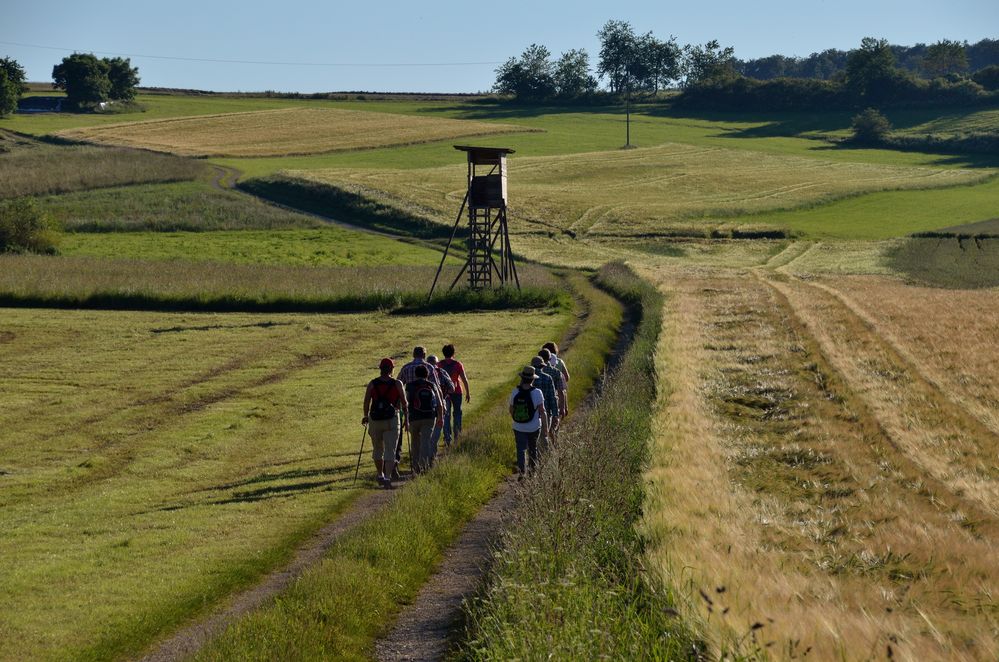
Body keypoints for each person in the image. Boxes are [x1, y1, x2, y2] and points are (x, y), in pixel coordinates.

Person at [395, 346, 444, 478]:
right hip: (429, 414)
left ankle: (415, 468)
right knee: (426, 441)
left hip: (413, 414)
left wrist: (403, 414)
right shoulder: (431, 368)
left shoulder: (406, 369)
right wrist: (441, 413)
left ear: (413, 354)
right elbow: (438, 390)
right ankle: (424, 467)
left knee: (415, 442)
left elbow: (398, 386)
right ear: (424, 355)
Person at [361, 358, 408, 489]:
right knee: (390, 450)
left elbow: (366, 402)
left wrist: (365, 416)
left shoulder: (372, 383)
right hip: (392, 419)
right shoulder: (397, 383)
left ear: (380, 369)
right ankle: (387, 477)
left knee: (377, 449)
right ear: (392, 369)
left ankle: (380, 475)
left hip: (375, 420)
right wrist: (407, 419)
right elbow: (404, 403)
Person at [508, 366, 548, 479]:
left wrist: (517, 419)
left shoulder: (515, 391)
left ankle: (522, 472)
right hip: (534, 427)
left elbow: (511, 409)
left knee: (520, 449)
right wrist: (545, 428)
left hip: (518, 427)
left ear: (522, 378)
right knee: (533, 448)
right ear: (532, 379)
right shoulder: (537, 393)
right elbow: (543, 411)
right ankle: (532, 472)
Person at [406, 364, 444, 473]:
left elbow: (406, 403)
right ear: (427, 374)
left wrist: (406, 418)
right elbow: (439, 403)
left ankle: (416, 466)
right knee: (426, 441)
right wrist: (440, 417)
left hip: (414, 417)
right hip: (429, 417)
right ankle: (425, 465)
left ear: (416, 374)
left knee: (415, 442)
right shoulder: (432, 385)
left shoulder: (409, 386)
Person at [438, 344, 470, 447]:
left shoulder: (439, 364)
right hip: (457, 391)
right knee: (457, 413)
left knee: (446, 415)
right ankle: (457, 436)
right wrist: (468, 393)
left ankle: (447, 438)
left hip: (445, 392)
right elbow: (464, 379)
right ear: (453, 353)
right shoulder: (457, 364)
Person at [426, 355, 455, 450]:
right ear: (437, 363)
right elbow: (452, 388)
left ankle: (425, 456)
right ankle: (432, 457)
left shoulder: (422, 373)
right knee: (436, 433)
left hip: (424, 407)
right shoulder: (442, 372)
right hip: (440, 405)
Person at [530, 356, 558, 449]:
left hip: (531, 413)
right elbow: (552, 397)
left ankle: (532, 459)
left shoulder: (529, 379)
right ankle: (543, 460)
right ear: (542, 366)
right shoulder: (548, 378)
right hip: (546, 413)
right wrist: (555, 414)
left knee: (532, 439)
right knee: (544, 436)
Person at [538, 347, 566, 438]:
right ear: (550, 358)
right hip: (552, 404)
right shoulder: (557, 372)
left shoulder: (535, 373)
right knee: (552, 430)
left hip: (536, 406)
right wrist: (562, 408)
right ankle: (552, 448)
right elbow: (561, 392)